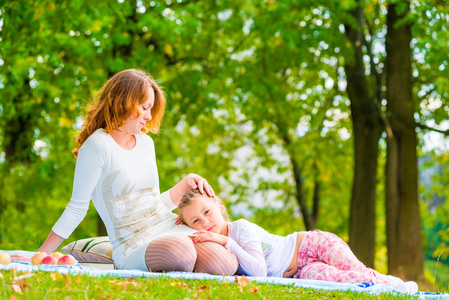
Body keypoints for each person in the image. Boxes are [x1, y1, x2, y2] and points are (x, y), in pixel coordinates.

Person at [11, 69, 237, 275]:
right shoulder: (97, 146)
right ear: (124, 102)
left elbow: (151, 205)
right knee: (181, 252)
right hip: (133, 243)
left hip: (166, 226)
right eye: (145, 107)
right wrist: (39, 255)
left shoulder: (146, 143)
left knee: (224, 263)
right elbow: (77, 208)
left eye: (151, 109)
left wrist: (185, 184)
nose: (149, 116)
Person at [177, 189, 419, 294]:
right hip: (298, 273)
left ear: (219, 205)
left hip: (310, 244)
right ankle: (391, 287)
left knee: (356, 269)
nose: (204, 223)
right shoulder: (214, 246)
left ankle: (399, 286)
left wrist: (225, 241)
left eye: (207, 212)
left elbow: (259, 272)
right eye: (195, 221)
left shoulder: (240, 229)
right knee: (345, 281)